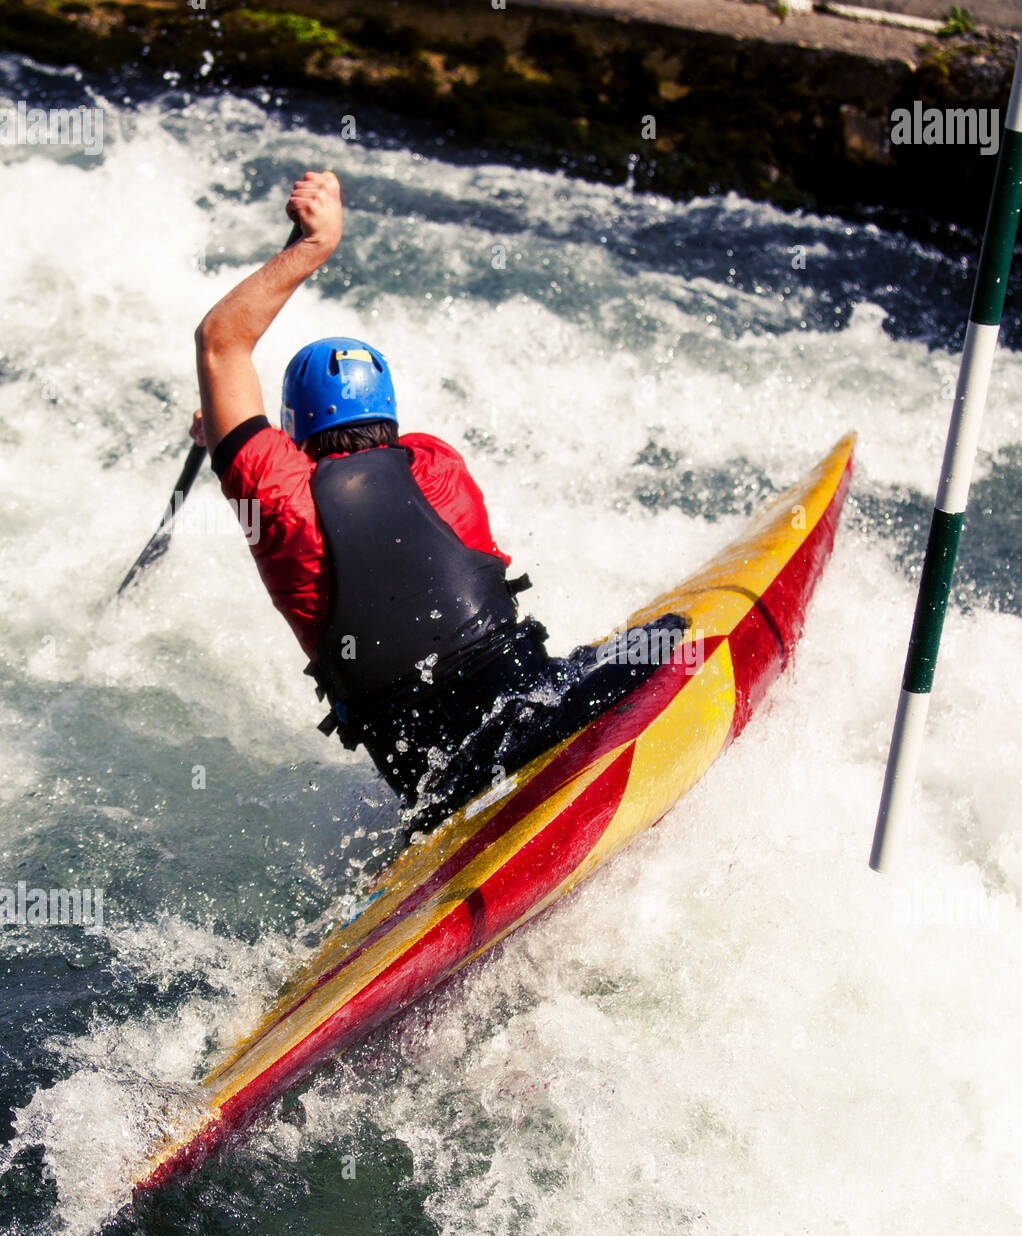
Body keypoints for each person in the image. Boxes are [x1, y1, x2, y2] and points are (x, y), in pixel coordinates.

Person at [194, 170, 683, 828]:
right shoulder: (437, 464)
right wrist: (320, 243)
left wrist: (228, 442)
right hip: (535, 705)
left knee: (440, 763)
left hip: (436, 781)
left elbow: (222, 342)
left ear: (292, 430)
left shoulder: (271, 487)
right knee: (664, 642)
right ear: (388, 411)